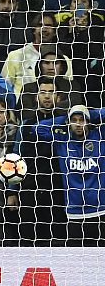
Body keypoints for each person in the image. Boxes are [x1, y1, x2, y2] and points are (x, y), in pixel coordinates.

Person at [32, 105, 105, 245]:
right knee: (78, 260)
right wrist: (65, 118)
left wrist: (92, 113)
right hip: (74, 212)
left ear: (88, 122)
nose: (78, 124)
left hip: (101, 210)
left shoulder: (100, 136)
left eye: (82, 120)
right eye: (74, 120)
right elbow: (37, 128)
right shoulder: (62, 140)